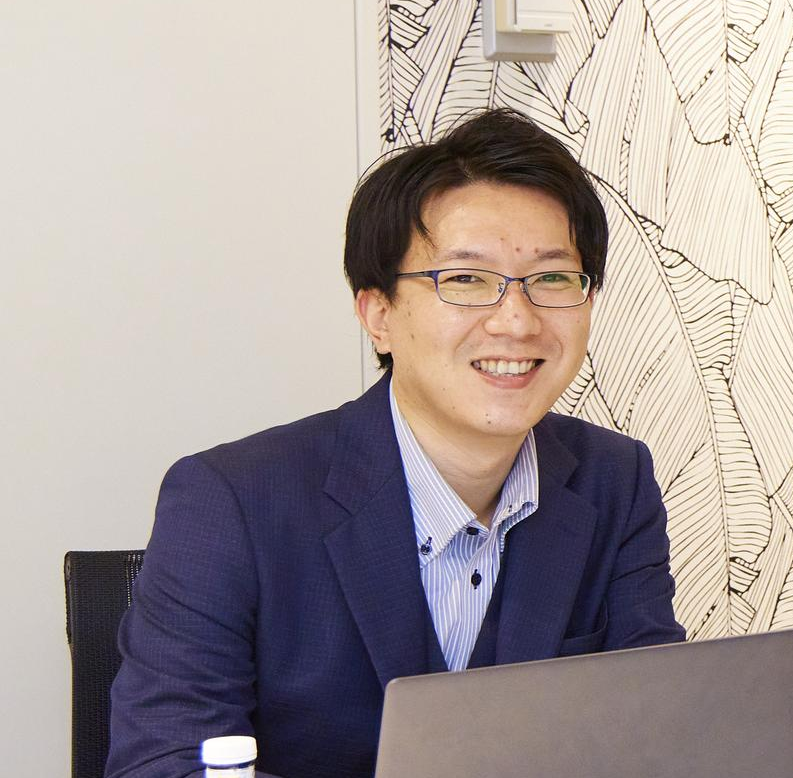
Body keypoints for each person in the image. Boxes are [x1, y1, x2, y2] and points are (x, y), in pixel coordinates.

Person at [107, 108, 686, 778]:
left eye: (552, 279)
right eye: (465, 280)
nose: (517, 321)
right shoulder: (230, 501)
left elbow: (658, 733)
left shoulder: (615, 480)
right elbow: (166, 762)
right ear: (378, 314)